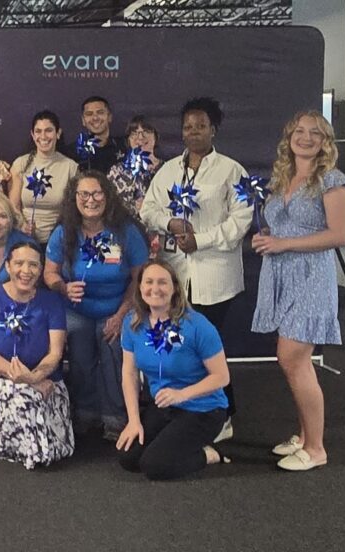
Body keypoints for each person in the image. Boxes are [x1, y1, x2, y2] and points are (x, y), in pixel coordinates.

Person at [139, 97, 250, 441]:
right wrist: (170, 222)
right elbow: (148, 210)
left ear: (213, 129)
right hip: (176, 276)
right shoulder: (169, 170)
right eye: (188, 126)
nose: (193, 132)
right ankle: (184, 412)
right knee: (178, 349)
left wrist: (201, 240)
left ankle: (223, 415)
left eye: (201, 125)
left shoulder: (233, 170)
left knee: (207, 348)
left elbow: (241, 221)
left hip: (215, 277)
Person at [251, 111, 345, 471]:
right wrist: (267, 240)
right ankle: (304, 435)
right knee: (294, 361)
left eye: (315, 133)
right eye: (299, 131)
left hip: (312, 278)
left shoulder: (332, 181)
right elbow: (281, 227)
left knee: (292, 358)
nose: (306, 137)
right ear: (288, 137)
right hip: (282, 276)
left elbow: (340, 235)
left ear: (326, 141)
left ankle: (316, 449)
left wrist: (284, 244)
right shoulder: (284, 178)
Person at [44, 172, 149, 440]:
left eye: (97, 193)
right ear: (74, 198)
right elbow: (49, 274)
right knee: (79, 355)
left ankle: (116, 416)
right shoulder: (64, 232)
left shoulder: (126, 232)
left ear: (108, 196)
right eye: (84, 194)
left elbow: (140, 278)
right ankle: (86, 413)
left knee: (113, 348)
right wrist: (63, 288)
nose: (91, 200)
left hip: (118, 306)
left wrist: (122, 313)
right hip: (75, 309)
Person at [117, 259, 231, 480]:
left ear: (174, 288)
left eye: (162, 282)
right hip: (163, 405)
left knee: (155, 466)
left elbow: (222, 377)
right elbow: (129, 373)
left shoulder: (197, 325)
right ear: (140, 287)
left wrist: (182, 394)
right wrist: (133, 420)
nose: (155, 288)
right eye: (149, 282)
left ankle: (209, 454)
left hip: (202, 409)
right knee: (128, 458)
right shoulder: (132, 323)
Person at [0, 241, 73, 469]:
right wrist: (24, 379)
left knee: (59, 445)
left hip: (45, 377)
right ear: (8, 266)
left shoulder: (52, 301)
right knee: (27, 403)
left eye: (33, 265)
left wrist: (34, 377)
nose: (25, 271)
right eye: (19, 263)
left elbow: (55, 352)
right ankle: (10, 444)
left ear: (40, 269)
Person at [9, 110, 79, 246]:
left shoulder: (71, 167)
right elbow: (13, 205)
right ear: (32, 135)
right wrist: (23, 225)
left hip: (58, 240)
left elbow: (73, 209)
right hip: (24, 239)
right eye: (38, 131)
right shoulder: (20, 164)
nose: (43, 136)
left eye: (48, 130)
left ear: (58, 133)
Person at [106, 115, 163, 218]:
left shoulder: (166, 170)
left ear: (156, 136)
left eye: (146, 131)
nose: (140, 137)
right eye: (134, 133)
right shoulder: (116, 172)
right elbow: (108, 207)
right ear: (128, 140)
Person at [72, 96, 127, 173]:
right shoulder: (72, 153)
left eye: (100, 112)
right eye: (89, 114)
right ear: (83, 121)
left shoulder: (125, 146)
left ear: (109, 117)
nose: (95, 118)